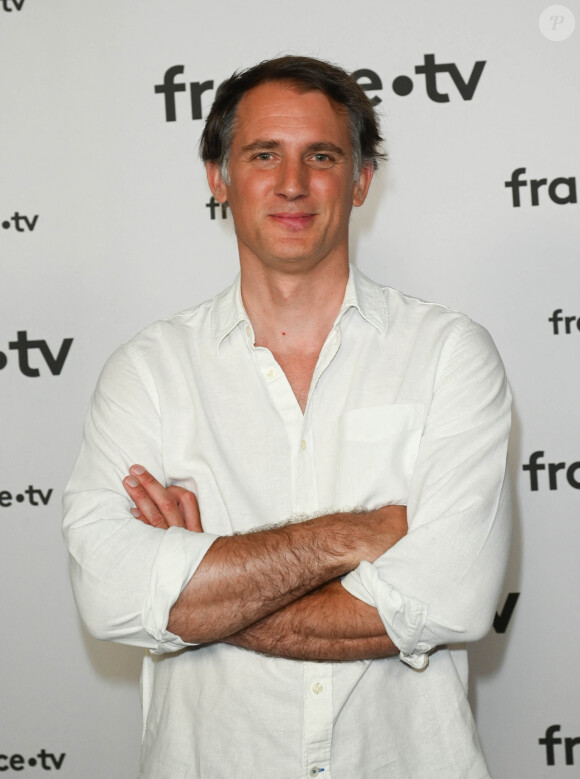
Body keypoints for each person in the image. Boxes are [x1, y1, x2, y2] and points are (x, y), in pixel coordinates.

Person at [63, 55, 511, 778]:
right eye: (264, 154)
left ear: (362, 180)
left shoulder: (447, 355)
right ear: (219, 176)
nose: (293, 184)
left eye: (323, 156)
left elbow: (450, 600)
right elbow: (113, 597)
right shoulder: (147, 371)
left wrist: (199, 580)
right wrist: (357, 532)